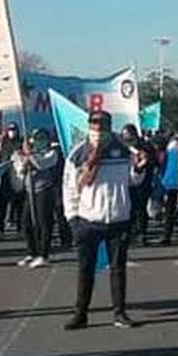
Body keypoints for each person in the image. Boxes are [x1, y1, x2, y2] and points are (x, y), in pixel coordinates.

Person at [62, 111, 142, 330]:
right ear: (88, 125)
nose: (98, 127)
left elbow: (133, 180)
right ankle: (81, 313)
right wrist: (72, 219)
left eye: (102, 123)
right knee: (85, 268)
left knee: (118, 268)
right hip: (88, 220)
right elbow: (69, 188)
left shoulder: (123, 149)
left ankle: (119, 313)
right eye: (94, 123)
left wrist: (139, 168)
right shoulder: (78, 153)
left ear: (109, 125)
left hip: (118, 218)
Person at [16, 129, 62, 267]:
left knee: (44, 223)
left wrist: (30, 155)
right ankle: (32, 252)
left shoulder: (52, 153)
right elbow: (20, 172)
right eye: (37, 138)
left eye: (42, 138)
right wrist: (24, 163)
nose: (39, 141)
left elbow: (42, 164)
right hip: (30, 191)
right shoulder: (30, 153)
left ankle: (44, 254)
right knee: (26, 223)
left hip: (44, 190)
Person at [121, 124, 154, 248]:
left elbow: (151, 162)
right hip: (127, 182)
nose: (127, 140)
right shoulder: (124, 149)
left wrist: (142, 160)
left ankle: (141, 233)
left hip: (143, 183)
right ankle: (130, 233)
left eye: (129, 137)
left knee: (140, 209)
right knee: (128, 209)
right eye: (125, 137)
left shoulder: (145, 147)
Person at [0, 124, 26, 239]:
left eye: (14, 130)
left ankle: (20, 228)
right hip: (4, 174)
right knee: (2, 203)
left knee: (19, 203)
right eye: (10, 130)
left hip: (17, 175)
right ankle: (0, 229)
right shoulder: (2, 144)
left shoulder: (21, 142)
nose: (13, 132)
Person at [158, 132, 178, 245]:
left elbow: (162, 164)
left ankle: (167, 235)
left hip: (169, 182)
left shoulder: (169, 149)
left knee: (169, 211)